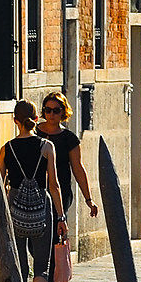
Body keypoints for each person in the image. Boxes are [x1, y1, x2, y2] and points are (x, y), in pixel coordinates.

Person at [0, 106, 66, 282]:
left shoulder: (6, 149)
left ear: (15, 120)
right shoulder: (47, 147)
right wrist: (61, 216)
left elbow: (0, 185)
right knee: (41, 264)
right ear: (36, 120)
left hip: (15, 208)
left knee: (19, 264)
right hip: (42, 207)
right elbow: (54, 184)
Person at [39, 92, 99, 225]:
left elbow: (78, 169)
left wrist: (88, 199)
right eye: (48, 110)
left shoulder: (69, 139)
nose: (51, 114)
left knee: (56, 231)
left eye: (56, 110)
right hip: (35, 191)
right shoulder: (35, 133)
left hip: (61, 192)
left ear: (63, 112)